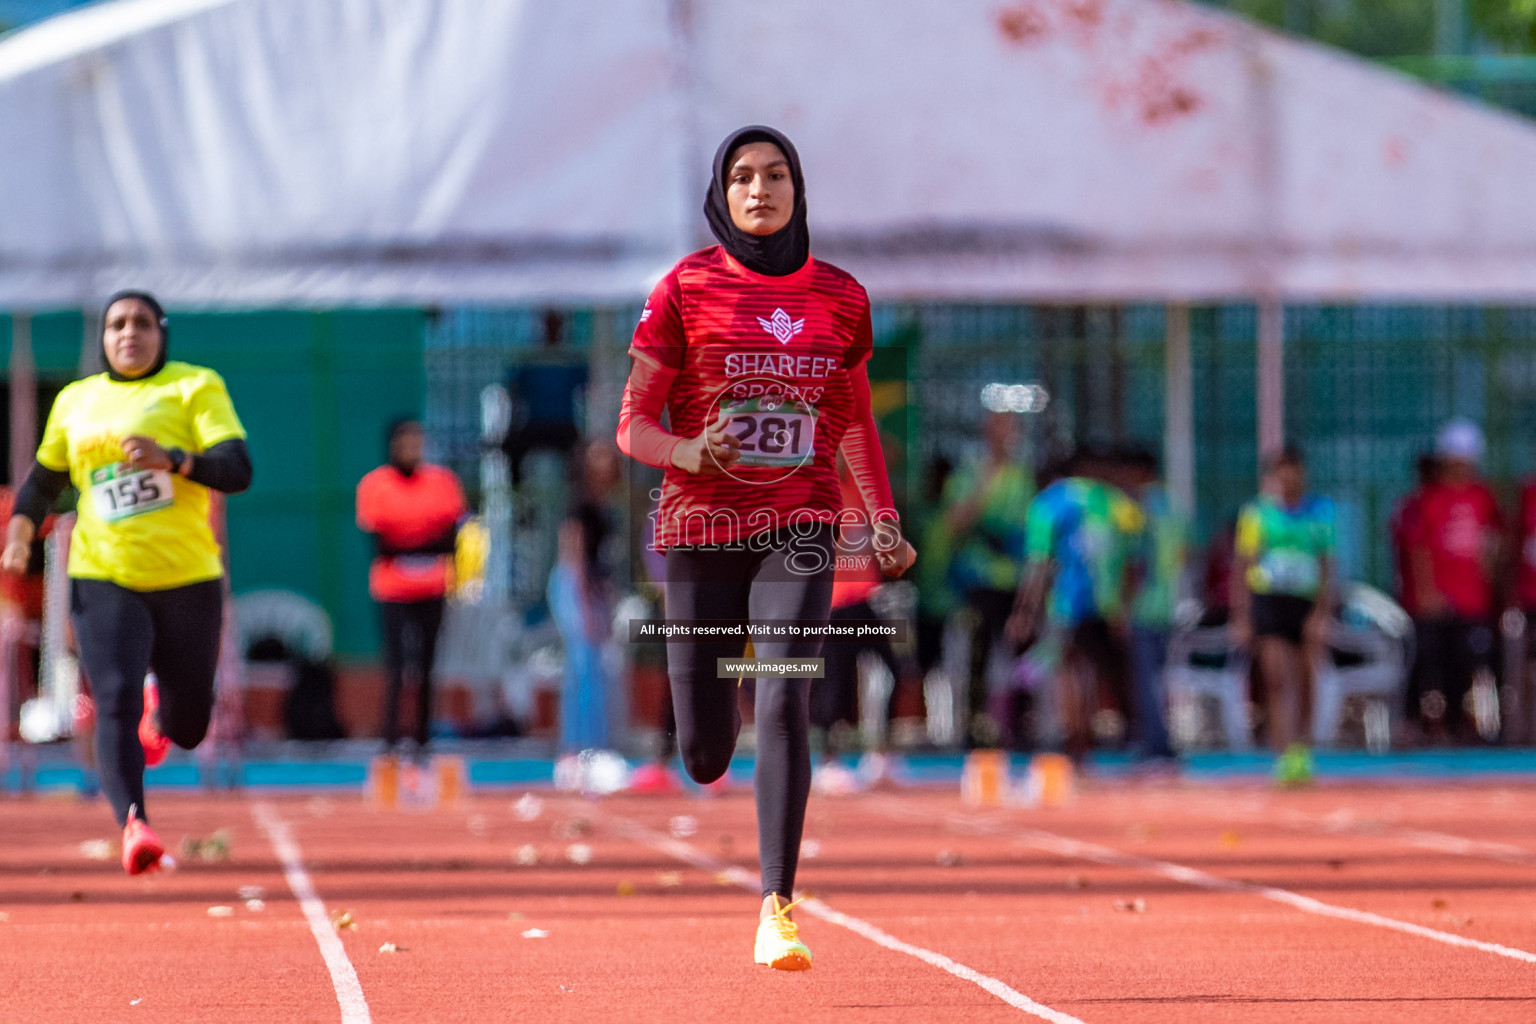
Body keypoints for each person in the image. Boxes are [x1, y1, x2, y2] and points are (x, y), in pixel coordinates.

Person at [616, 125, 914, 971]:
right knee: (706, 752)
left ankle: (778, 905)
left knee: (785, 696)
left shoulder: (842, 298)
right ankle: (708, 740)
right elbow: (630, 424)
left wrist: (881, 518)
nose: (759, 190)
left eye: (775, 174)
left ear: (798, 188)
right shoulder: (685, 288)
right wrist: (686, 452)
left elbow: (852, 415)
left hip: (802, 526)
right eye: (743, 176)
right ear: (723, 191)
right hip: (703, 528)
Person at [1, 290, 251, 874]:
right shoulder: (76, 400)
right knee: (110, 697)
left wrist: (176, 461)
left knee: (190, 727)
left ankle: (163, 712)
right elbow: (42, 482)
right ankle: (134, 824)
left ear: (162, 332)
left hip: (188, 576)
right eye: (116, 324)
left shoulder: (194, 387)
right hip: (103, 572)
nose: (127, 333)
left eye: (141, 323)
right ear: (103, 338)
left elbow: (238, 470)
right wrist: (18, 532)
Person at [1006, 446, 1143, 762]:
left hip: (1067, 603)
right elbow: (1134, 561)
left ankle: (1076, 745)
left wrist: (1024, 611)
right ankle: (1105, 742)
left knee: (1068, 670)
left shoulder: (1050, 503)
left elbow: (1039, 564)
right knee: (1096, 673)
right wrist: (1124, 604)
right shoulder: (1117, 502)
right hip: (1107, 604)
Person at [355, 419, 467, 757]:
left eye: (417, 442)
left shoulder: (443, 483)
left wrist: (410, 544)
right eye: (405, 442)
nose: (412, 449)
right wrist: (422, 543)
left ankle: (422, 741)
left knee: (427, 665)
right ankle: (390, 740)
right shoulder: (375, 485)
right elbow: (381, 545)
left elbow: (450, 541)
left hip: (432, 586)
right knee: (397, 665)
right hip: (392, 589)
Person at [1230, 446, 1333, 784]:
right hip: (1269, 600)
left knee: (1305, 678)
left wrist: (1321, 613)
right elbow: (1243, 566)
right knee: (1276, 678)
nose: (1288, 479)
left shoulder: (1320, 512)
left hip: (1303, 601)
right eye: (1280, 472)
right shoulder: (1256, 515)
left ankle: (1303, 750)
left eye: (1293, 471)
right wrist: (1242, 617)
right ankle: (1282, 751)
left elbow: (1327, 566)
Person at [941, 411, 1033, 746]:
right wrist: (984, 480)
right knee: (976, 657)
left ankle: (1020, 729)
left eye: (1011, 429)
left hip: (1018, 583)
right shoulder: (968, 474)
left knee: (1021, 657)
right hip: (979, 581)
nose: (1006, 435)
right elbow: (954, 524)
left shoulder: (1023, 476)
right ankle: (974, 729)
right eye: (998, 428)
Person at [1411, 420, 1501, 742]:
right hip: (1440, 601)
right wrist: (1427, 593)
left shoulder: (1482, 497)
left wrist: (1492, 588)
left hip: (1473, 600)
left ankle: (1469, 728)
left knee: (1472, 666)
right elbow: (1420, 550)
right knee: (1435, 667)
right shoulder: (1430, 499)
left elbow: (1491, 545)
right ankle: (1435, 729)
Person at [1124, 446, 1186, 766]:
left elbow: (1137, 561)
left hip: (1143, 606)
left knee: (1146, 679)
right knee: (1163, 679)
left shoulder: (1138, 510)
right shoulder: (1172, 507)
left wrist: (1124, 603)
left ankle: (1155, 745)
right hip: (1169, 603)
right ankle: (1163, 741)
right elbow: (1185, 553)